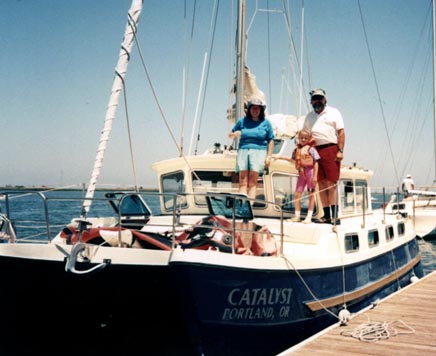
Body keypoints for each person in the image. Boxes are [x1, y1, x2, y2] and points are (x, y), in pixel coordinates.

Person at [303, 88, 345, 224]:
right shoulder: (309, 117)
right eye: (315, 99)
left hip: (331, 149)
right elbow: (306, 134)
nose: (317, 101)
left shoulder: (334, 112)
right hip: (315, 150)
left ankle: (335, 216)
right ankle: (326, 216)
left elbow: (341, 132)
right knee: (320, 184)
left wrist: (340, 150)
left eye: (320, 98)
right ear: (311, 101)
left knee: (331, 183)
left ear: (325, 100)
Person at [229, 97, 275, 200]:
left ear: (261, 110)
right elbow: (230, 134)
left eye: (257, 108)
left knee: (253, 182)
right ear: (249, 109)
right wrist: (235, 134)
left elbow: (271, 140)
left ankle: (250, 204)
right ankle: (242, 206)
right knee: (242, 180)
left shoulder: (266, 123)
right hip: (243, 151)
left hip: (259, 152)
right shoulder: (242, 121)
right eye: (253, 108)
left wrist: (269, 156)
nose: (255, 110)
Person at [274, 129, 320, 223]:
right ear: (298, 138)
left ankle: (309, 217)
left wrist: (315, 176)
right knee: (297, 194)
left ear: (309, 139)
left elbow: (316, 163)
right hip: (301, 173)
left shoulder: (311, 149)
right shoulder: (296, 150)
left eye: (305, 138)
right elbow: (293, 160)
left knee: (311, 195)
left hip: (310, 172)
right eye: (301, 138)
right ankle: (297, 216)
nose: (303, 139)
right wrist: (280, 157)